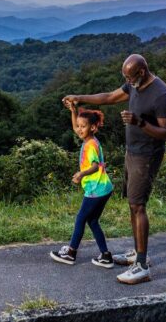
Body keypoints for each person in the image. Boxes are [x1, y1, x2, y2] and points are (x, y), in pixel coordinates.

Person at [63, 54, 166, 285]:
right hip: (132, 152)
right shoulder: (134, 85)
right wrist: (79, 98)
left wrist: (139, 122)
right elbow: (110, 97)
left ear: (141, 73)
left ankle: (141, 265)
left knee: (137, 205)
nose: (127, 81)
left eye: (129, 77)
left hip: (147, 155)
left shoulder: (160, 94)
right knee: (132, 204)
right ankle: (137, 252)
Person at [50, 104, 114, 268]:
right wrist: (73, 111)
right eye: (78, 126)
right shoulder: (89, 139)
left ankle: (71, 253)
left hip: (96, 188)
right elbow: (75, 127)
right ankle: (106, 256)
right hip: (104, 188)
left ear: (92, 127)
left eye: (83, 126)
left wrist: (81, 174)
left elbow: (94, 166)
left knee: (81, 219)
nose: (79, 129)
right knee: (92, 221)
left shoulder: (90, 145)